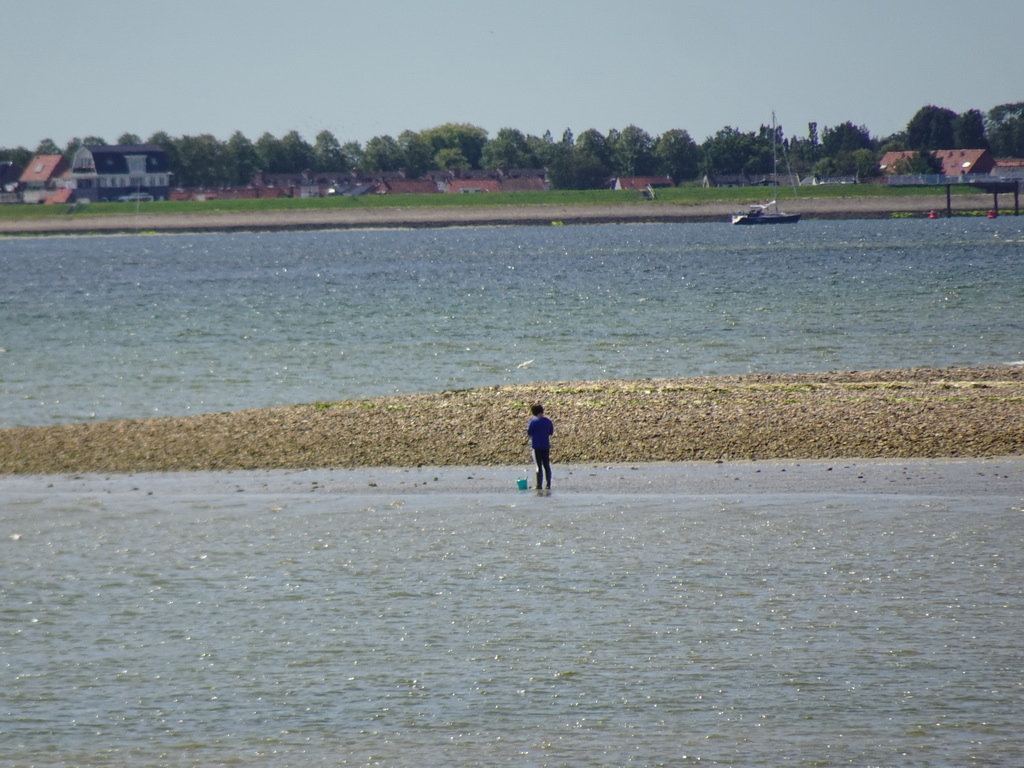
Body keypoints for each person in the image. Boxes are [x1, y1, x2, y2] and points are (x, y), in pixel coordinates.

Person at [527, 402, 554, 490]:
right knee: (546, 465)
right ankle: (548, 485)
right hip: (545, 445)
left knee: (538, 466)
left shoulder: (533, 421)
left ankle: (539, 485)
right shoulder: (548, 421)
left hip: (536, 446)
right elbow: (550, 432)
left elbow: (529, 432)